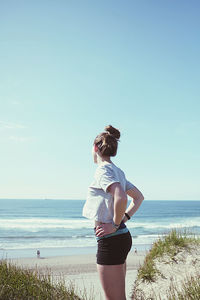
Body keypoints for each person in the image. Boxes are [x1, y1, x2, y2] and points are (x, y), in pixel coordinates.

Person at [82, 125, 144, 300]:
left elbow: (121, 196)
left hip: (112, 240)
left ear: (95, 148)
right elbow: (138, 197)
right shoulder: (118, 171)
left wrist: (115, 225)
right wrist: (123, 219)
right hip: (121, 237)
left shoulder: (103, 170)